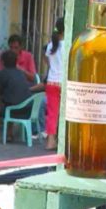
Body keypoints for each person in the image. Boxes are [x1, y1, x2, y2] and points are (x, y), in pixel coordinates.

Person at [0, 50, 39, 138]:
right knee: (10, 100)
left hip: (13, 111)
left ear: (2, 62)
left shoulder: (1, 74)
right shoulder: (21, 74)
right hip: (27, 109)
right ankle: (9, 133)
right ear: (16, 62)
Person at [43, 18, 65, 151]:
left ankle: (50, 141)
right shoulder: (68, 44)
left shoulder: (52, 45)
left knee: (52, 113)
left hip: (51, 82)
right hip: (63, 83)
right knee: (65, 113)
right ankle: (62, 140)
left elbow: (48, 60)